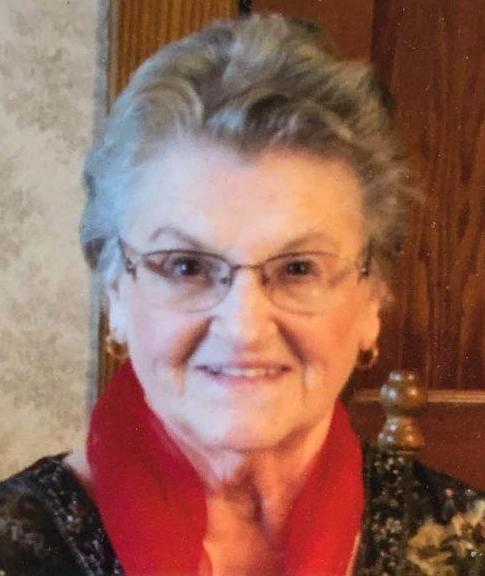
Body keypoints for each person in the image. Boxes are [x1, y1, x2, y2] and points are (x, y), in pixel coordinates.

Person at [0, 13, 483, 576]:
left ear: (372, 298)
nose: (244, 327)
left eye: (298, 267)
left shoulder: (466, 545)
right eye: (186, 266)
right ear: (115, 294)